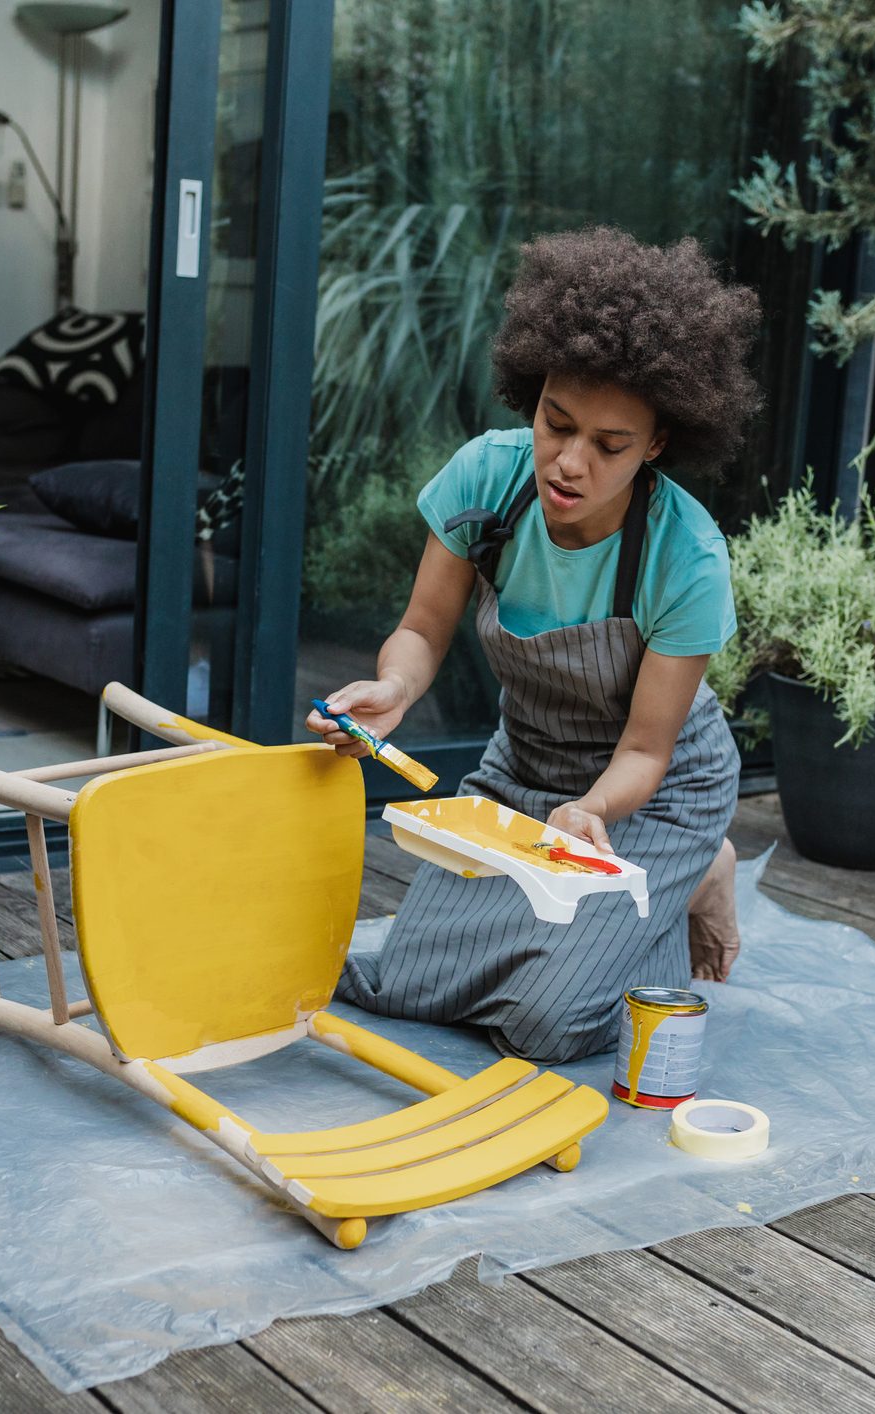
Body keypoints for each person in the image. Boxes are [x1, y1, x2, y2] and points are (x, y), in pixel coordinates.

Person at [307, 227, 761, 1063]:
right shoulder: (485, 479)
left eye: (609, 445)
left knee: (547, 1024)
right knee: (406, 985)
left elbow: (645, 750)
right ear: (535, 394)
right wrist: (395, 689)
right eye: (556, 423)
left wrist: (592, 813)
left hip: (649, 794)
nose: (568, 463)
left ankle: (696, 868)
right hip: (525, 766)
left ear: (657, 443)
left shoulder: (685, 556)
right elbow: (420, 631)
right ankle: (652, 899)